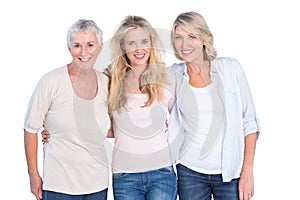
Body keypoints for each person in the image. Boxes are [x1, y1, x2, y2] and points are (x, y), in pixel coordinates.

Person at [168, 11, 260, 200]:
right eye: (179, 38)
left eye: (191, 36)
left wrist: (247, 171)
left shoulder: (230, 69)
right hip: (189, 172)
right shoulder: (174, 75)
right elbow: (140, 78)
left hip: (229, 173)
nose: (184, 45)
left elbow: (249, 122)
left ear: (203, 39)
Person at [24, 19, 111, 200]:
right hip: (59, 186)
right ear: (69, 48)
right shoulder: (52, 81)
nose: (84, 52)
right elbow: (31, 129)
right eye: (77, 45)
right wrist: (33, 175)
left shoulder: (106, 83)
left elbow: (109, 128)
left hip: (97, 184)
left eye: (90, 45)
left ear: (100, 47)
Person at [108, 15, 177, 200]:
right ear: (123, 46)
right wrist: (57, 131)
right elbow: (99, 122)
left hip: (161, 172)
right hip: (125, 175)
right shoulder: (111, 80)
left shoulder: (168, 77)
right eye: (132, 43)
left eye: (144, 41)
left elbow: (185, 118)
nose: (139, 49)